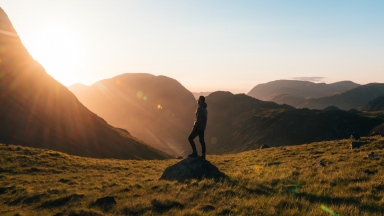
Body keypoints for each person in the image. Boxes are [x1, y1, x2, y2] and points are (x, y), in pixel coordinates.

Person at [188, 95, 208, 160]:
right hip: (202, 128)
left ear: (201, 100)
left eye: (199, 99)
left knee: (190, 138)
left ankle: (194, 152)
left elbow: (198, 119)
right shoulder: (205, 109)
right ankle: (203, 155)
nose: (198, 100)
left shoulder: (200, 108)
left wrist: (194, 127)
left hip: (198, 127)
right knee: (202, 141)